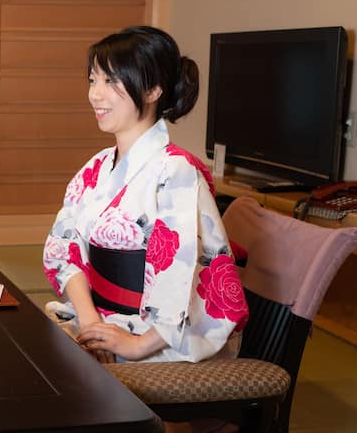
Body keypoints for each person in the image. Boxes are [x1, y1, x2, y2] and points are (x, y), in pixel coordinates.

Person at [43, 25, 248, 365]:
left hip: (158, 338)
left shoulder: (177, 172)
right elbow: (64, 249)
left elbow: (182, 277)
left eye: (111, 81)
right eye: (93, 80)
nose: (95, 94)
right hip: (98, 317)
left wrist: (135, 345)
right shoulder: (95, 167)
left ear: (153, 90)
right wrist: (92, 324)